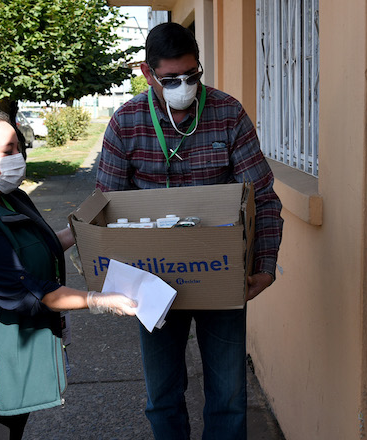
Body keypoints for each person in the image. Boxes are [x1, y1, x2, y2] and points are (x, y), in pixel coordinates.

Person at [96, 22, 283, 440]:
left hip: (220, 275)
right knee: (162, 395)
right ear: (147, 73)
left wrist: (266, 266)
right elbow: (104, 209)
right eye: (171, 80)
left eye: (192, 75)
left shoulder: (227, 113)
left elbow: (264, 198)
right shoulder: (126, 123)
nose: (185, 86)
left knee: (229, 395)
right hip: (152, 280)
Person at [0, 112, 137, 440]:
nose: (19, 159)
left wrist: (82, 229)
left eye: (19, 148)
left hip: (7, 366)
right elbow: (27, 292)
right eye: (7, 151)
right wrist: (98, 300)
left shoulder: (7, 197)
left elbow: (41, 246)